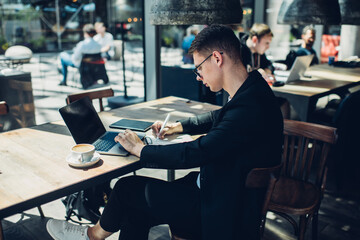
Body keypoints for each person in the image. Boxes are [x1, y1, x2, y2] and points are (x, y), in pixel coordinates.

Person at [47, 25, 283, 240]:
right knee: (135, 207)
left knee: (127, 188)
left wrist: (142, 149)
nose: (199, 78)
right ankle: (92, 235)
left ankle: (91, 236)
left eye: (199, 69)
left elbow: (197, 152)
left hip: (222, 207)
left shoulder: (248, 107)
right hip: (221, 190)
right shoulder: (253, 90)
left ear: (217, 59)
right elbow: (216, 118)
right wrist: (180, 126)